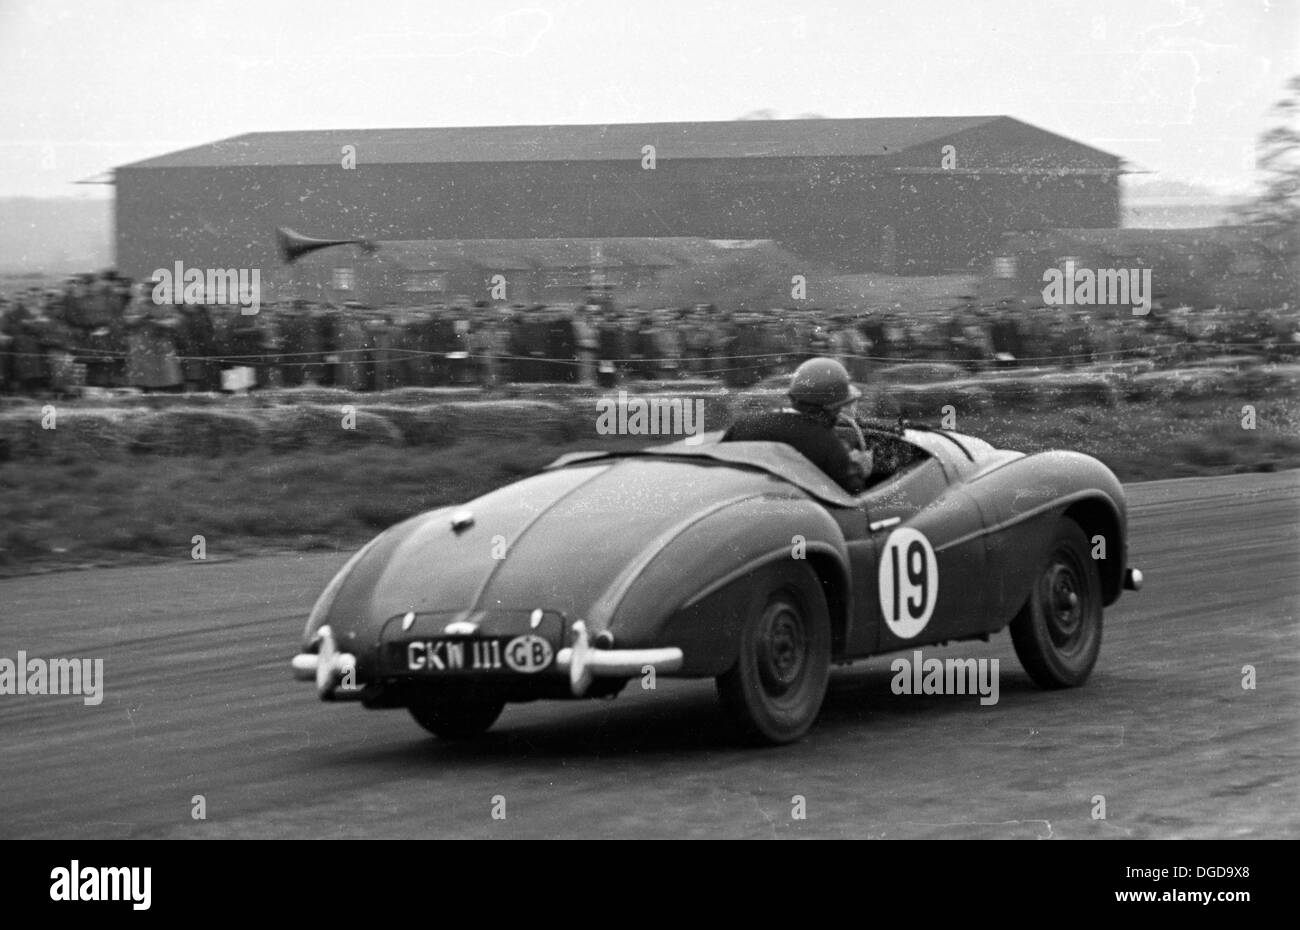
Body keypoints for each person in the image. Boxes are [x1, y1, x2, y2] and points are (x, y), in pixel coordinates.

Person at [722, 357, 872, 494]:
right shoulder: (828, 445)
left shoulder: (745, 424)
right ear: (832, 408)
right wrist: (859, 469)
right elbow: (854, 495)